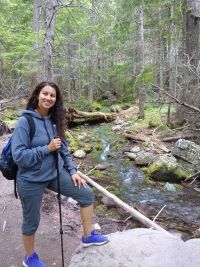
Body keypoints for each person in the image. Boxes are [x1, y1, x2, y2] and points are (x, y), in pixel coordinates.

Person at [11, 81, 109, 267]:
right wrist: (46, 149)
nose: (48, 98)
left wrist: (73, 171)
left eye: (52, 95)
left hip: (53, 174)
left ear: (56, 100)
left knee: (86, 194)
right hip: (30, 180)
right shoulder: (26, 121)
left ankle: (88, 236)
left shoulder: (53, 121)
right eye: (45, 94)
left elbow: (63, 149)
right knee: (31, 221)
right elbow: (19, 156)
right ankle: (30, 258)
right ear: (37, 96)